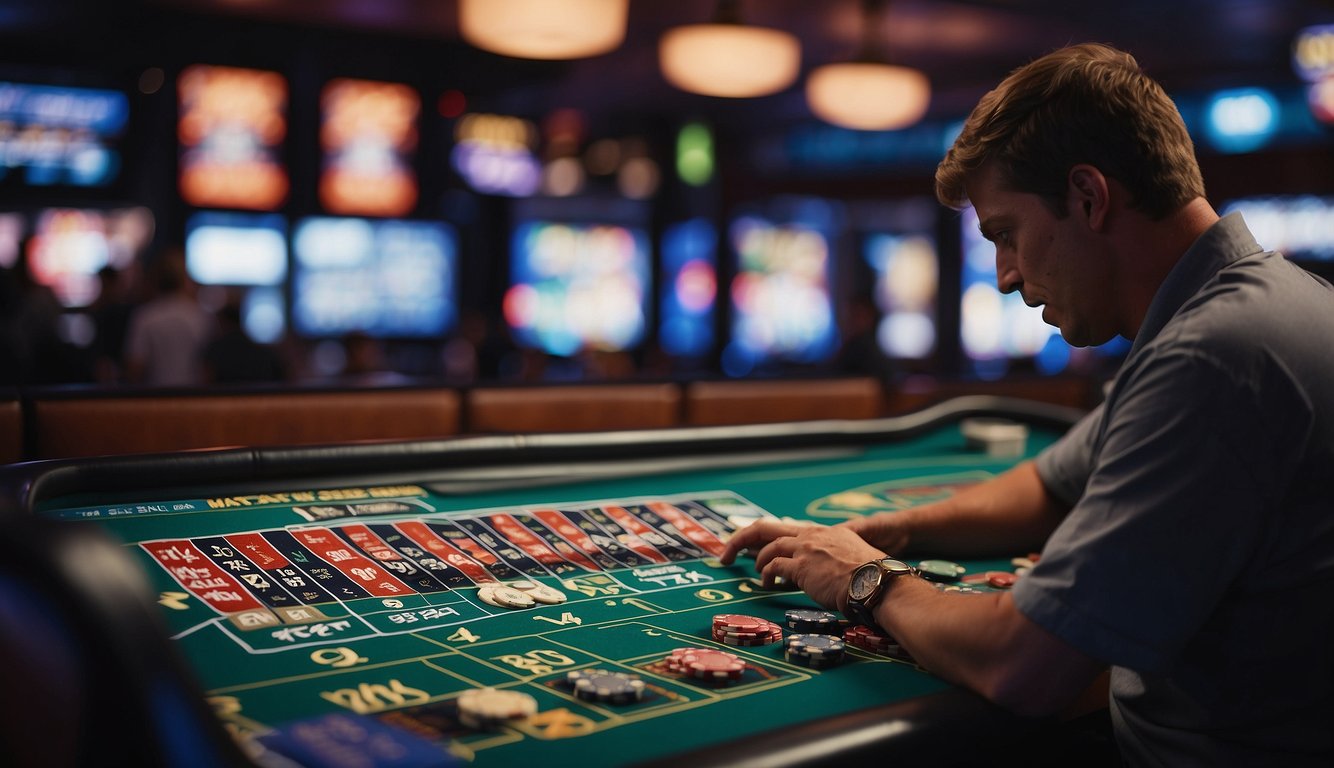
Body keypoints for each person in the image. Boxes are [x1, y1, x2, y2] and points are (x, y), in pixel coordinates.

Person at [722, 43, 1334, 765]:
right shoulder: (1264, 304)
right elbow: (1055, 484)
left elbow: (1023, 666)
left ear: (1087, 197)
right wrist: (894, 532)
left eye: (1005, 234)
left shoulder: (1216, 355)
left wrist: (865, 579)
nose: (1006, 276)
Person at [123, 248, 213, 387]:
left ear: (155, 278)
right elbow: (207, 369)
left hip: (154, 399)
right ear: (183, 279)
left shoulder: (146, 317)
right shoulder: (200, 316)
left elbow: (134, 368)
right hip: (193, 397)